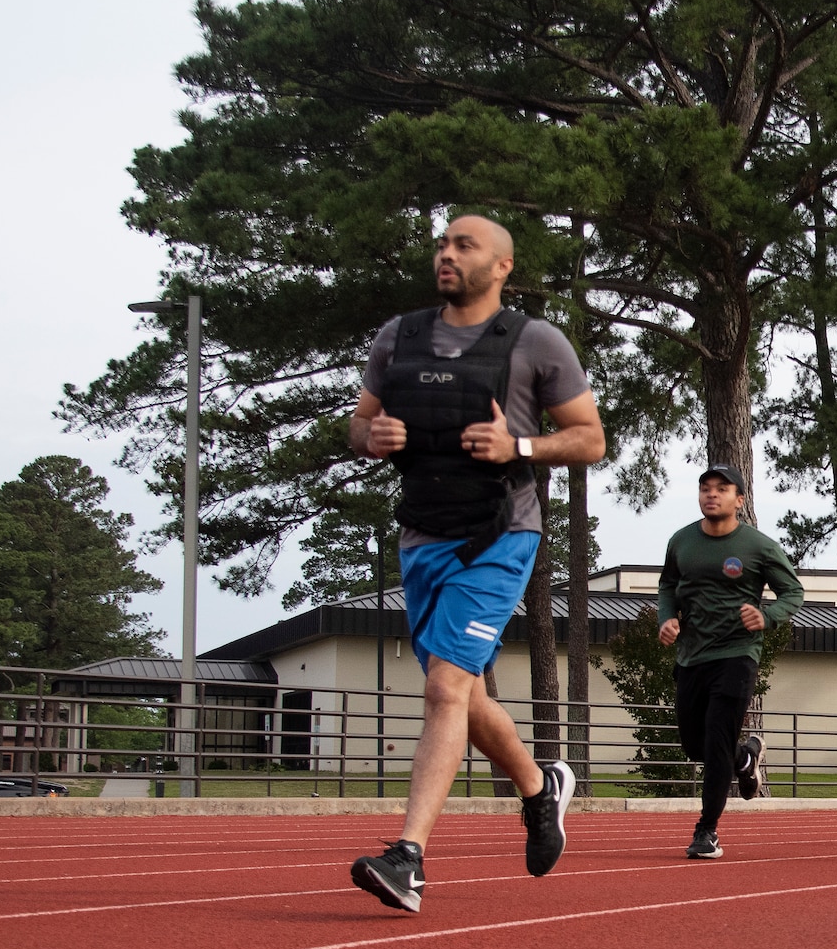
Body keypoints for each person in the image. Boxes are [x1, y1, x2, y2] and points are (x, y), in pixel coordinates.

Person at [345, 215, 606, 913]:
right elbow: (357, 420)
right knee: (463, 694)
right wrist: (371, 436)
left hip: (500, 537)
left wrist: (520, 447)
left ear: (503, 267)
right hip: (423, 537)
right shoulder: (398, 337)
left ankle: (408, 857)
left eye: (465, 246)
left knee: (443, 689)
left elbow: (590, 439)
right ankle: (538, 785)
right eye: (443, 243)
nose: (448, 254)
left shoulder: (535, 342)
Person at [657, 465, 806, 860]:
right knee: (694, 745)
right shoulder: (681, 541)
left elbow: (793, 592)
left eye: (722, 489)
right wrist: (667, 618)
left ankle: (706, 831)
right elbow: (668, 586)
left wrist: (768, 615)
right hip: (691, 655)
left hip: (737, 655)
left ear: (739, 499)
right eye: (705, 488)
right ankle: (745, 757)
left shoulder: (759, 546)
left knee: (717, 739)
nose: (712, 494)